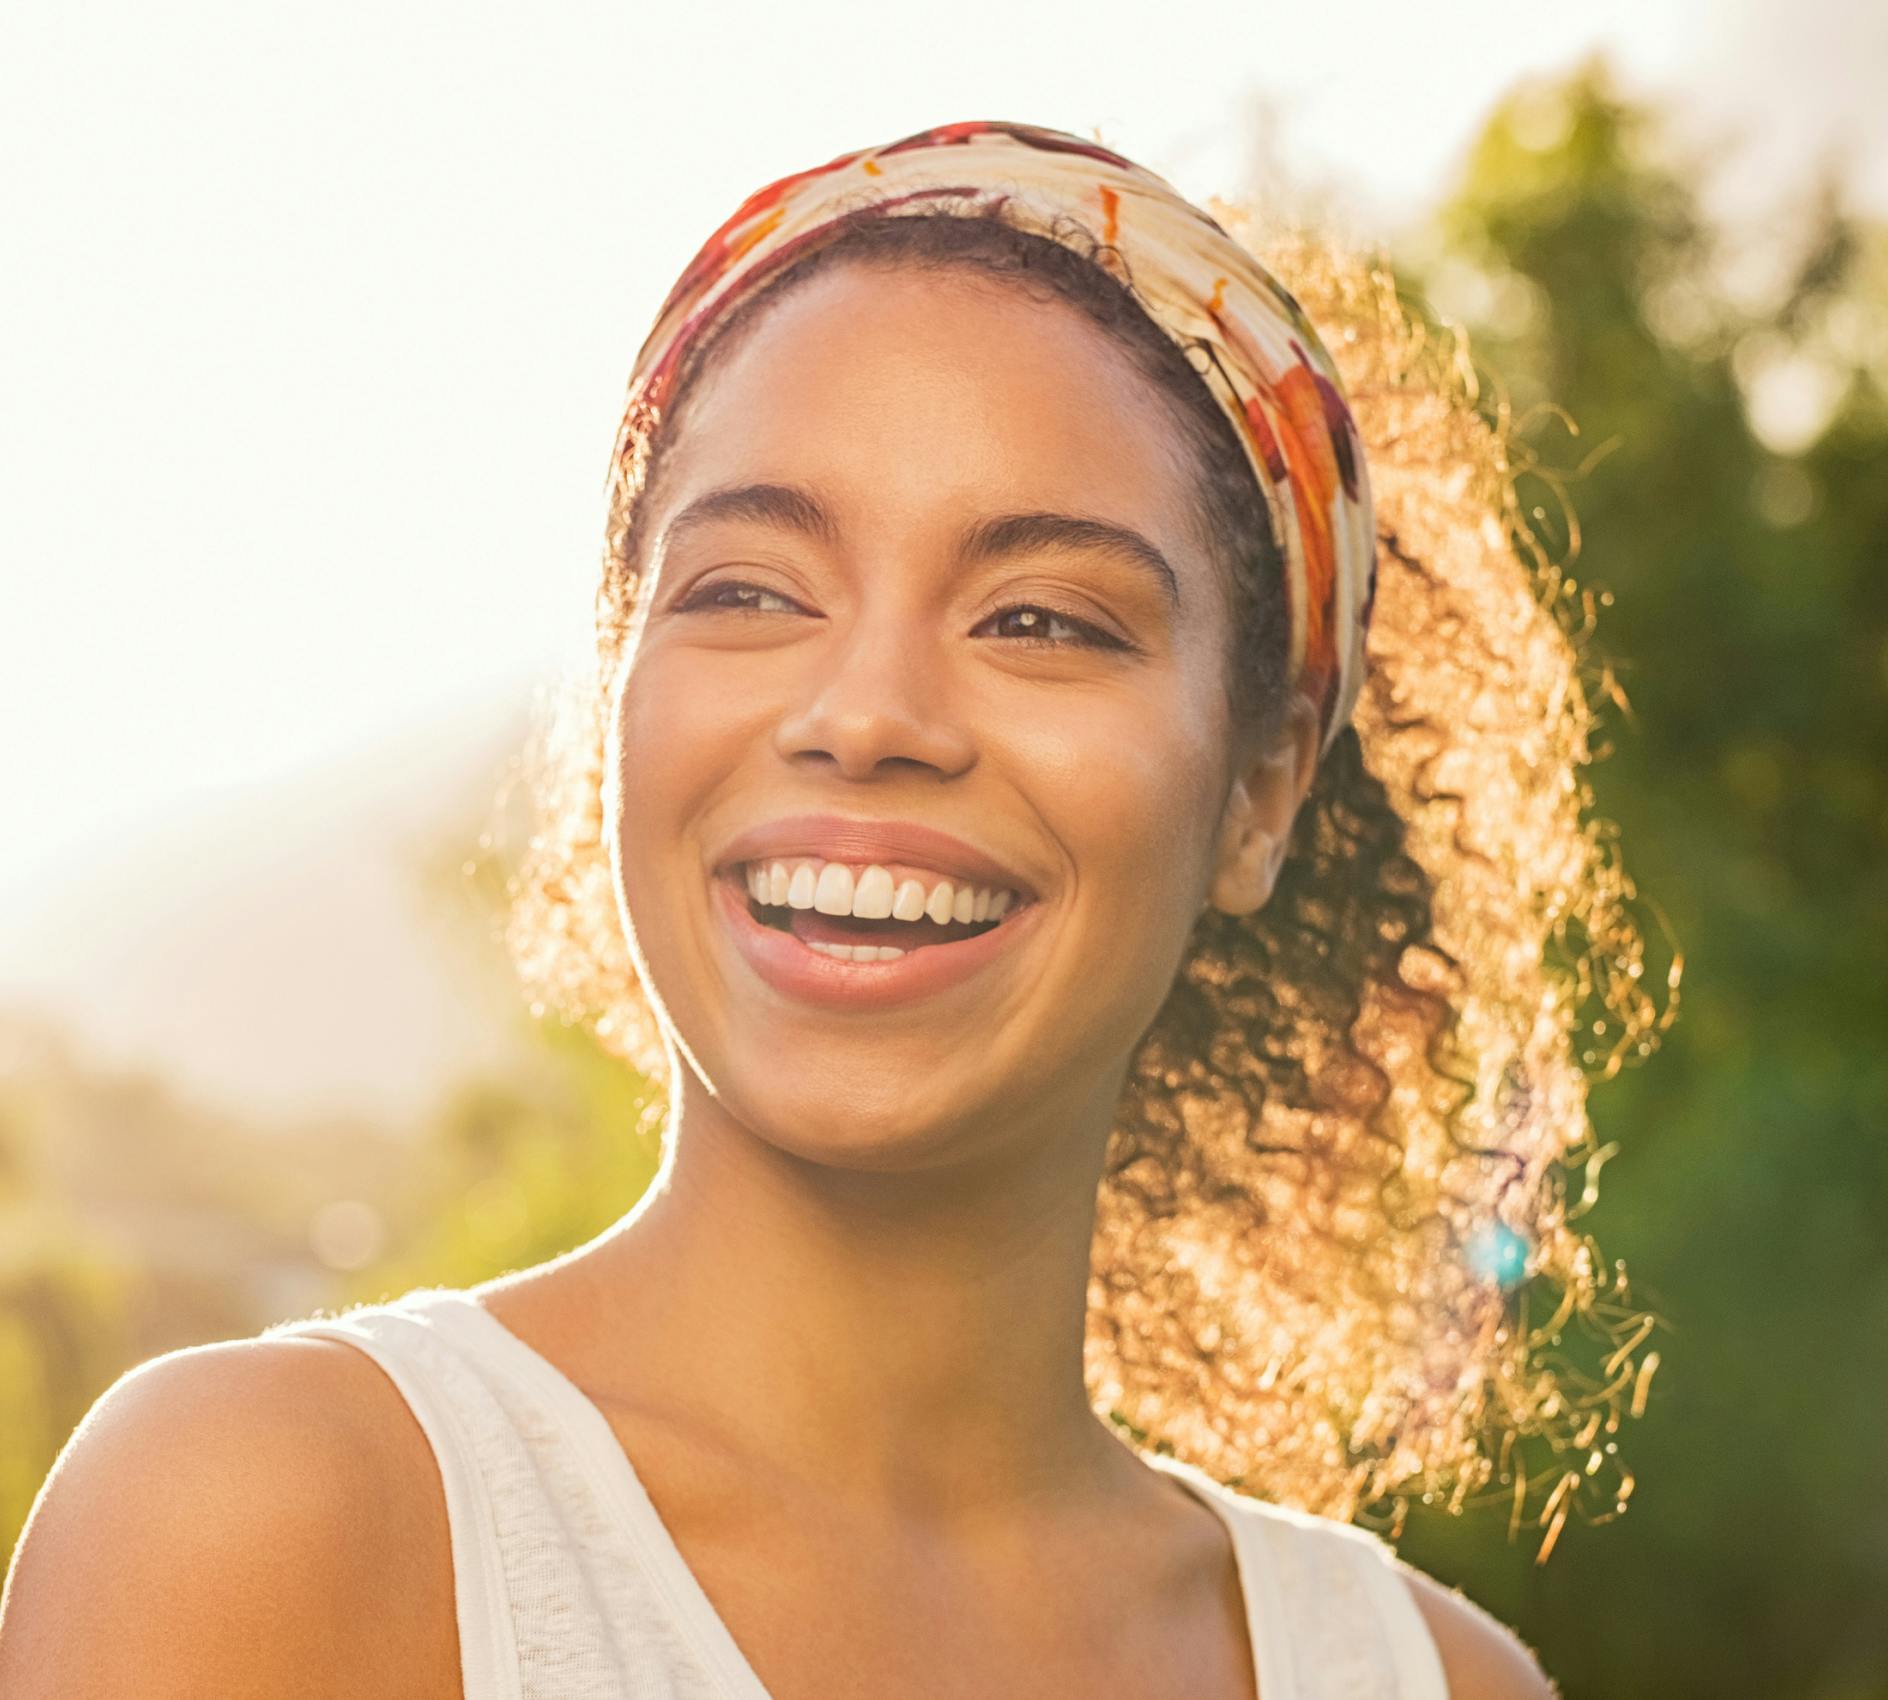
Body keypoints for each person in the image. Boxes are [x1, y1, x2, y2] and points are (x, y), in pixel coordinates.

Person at [2, 117, 1673, 1697]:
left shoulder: (1425, 1679)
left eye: (1041, 620)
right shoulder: (262, 1532)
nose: (865, 713)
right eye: (747, 590)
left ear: (1260, 793)